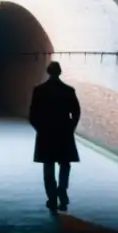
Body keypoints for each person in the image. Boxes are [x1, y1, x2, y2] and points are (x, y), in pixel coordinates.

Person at [28, 61, 81, 212]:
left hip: (46, 133)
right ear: (60, 72)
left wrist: (40, 129)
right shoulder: (68, 90)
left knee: (48, 165)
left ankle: (52, 198)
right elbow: (76, 112)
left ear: (48, 72)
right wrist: (71, 128)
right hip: (64, 132)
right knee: (65, 164)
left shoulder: (39, 90)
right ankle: (62, 190)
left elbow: (32, 115)